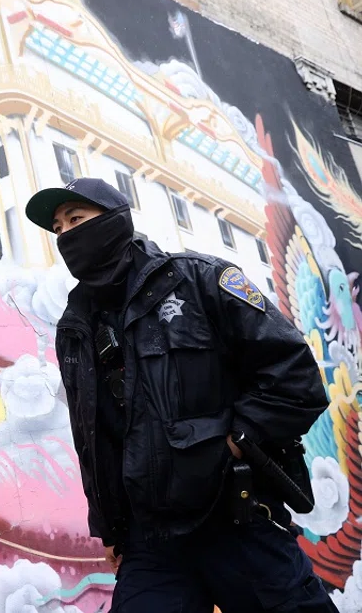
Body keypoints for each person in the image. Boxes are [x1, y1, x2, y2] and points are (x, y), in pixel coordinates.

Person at [24, 177, 338, 612]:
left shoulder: (201, 280)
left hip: (238, 519)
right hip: (151, 546)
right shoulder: (75, 328)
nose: (66, 235)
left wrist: (236, 442)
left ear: (116, 219)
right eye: (59, 229)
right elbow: (93, 439)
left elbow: (295, 377)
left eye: (76, 219)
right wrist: (111, 528)